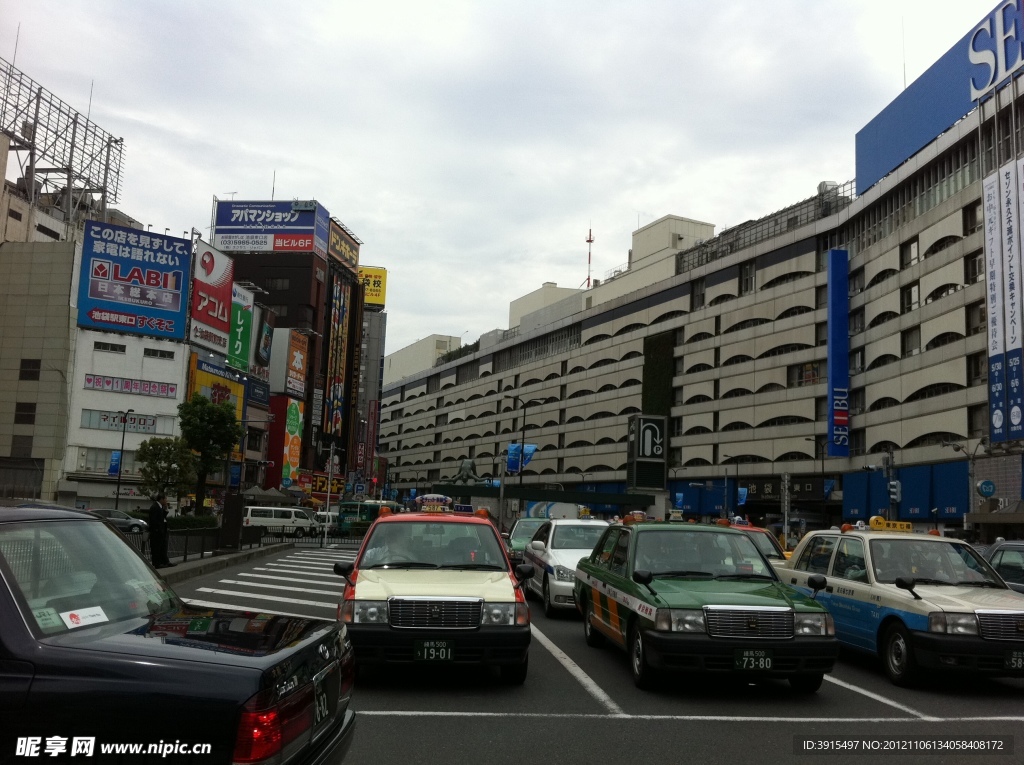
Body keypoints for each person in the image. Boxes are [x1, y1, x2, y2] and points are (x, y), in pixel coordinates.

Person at [148, 492, 173, 569]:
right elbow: (154, 520)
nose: (166, 500)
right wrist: (158, 529)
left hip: (162, 531)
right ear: (161, 499)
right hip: (157, 532)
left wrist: (165, 509)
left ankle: (164, 561)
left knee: (162, 547)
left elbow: (162, 517)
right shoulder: (155, 507)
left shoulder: (160, 507)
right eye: (165, 499)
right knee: (156, 548)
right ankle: (157, 563)